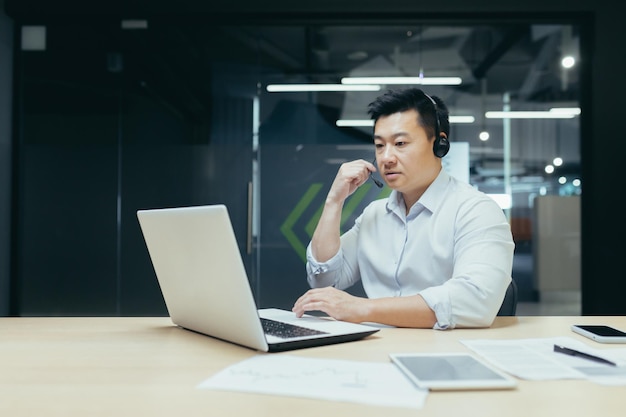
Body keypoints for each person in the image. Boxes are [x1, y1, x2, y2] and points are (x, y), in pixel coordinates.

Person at [292, 87, 515, 329]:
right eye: (379, 146)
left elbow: (475, 300)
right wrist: (334, 201)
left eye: (400, 143)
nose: (386, 157)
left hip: (444, 353)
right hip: (376, 349)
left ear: (439, 143)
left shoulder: (476, 211)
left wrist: (362, 308)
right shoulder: (374, 215)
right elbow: (325, 281)